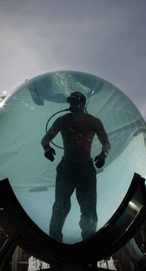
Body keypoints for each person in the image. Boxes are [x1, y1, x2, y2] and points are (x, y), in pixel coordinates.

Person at [41, 92, 111, 242]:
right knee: (60, 207)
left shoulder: (94, 121)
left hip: (85, 170)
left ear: (83, 103)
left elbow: (106, 143)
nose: (73, 106)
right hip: (66, 168)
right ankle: (55, 244)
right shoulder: (62, 120)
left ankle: (88, 245)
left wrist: (103, 155)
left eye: (76, 102)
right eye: (71, 103)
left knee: (89, 210)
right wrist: (46, 148)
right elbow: (45, 139)